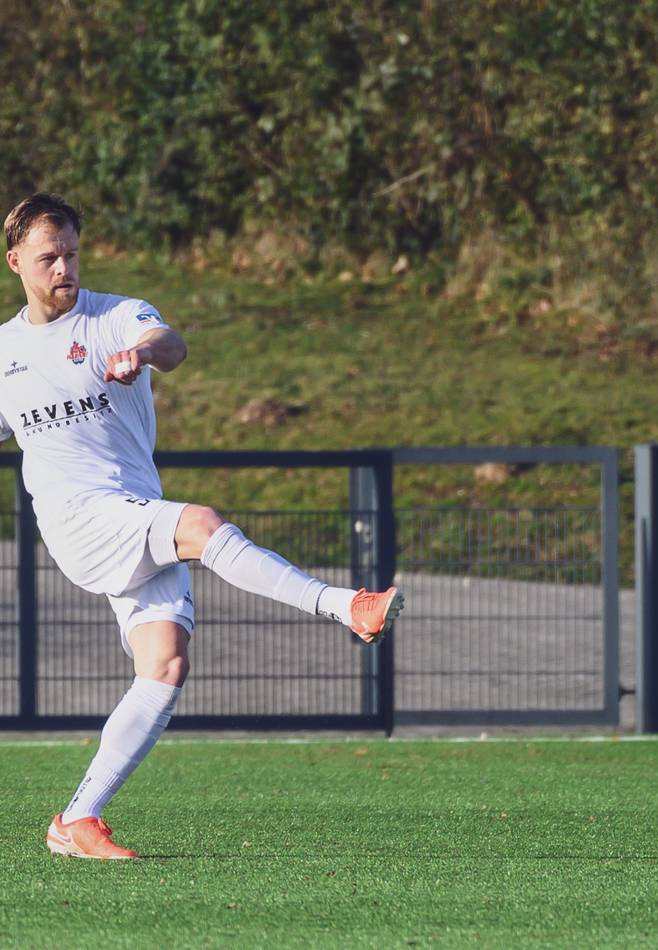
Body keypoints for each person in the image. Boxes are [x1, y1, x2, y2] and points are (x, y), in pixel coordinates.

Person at [0, 193, 404, 860]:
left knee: (164, 665)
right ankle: (347, 606)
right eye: (49, 258)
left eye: (71, 252)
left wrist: (147, 353)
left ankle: (77, 819)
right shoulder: (5, 352)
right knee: (202, 524)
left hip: (132, 508)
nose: (64, 267)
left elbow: (170, 342)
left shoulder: (116, 316)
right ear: (16, 261)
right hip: (79, 522)